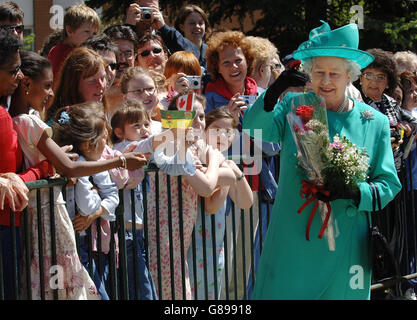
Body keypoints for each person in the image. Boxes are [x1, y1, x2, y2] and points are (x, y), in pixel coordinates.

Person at [243, 21, 402, 299]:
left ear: (349, 76)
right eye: (319, 72)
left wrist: (355, 191)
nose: (325, 81)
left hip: (347, 241)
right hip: (295, 235)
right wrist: (271, 94)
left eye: (334, 74)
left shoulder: (373, 122)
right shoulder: (295, 105)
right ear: (309, 73)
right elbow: (254, 128)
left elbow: (389, 184)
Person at [53, 102, 119, 300]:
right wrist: (82, 179)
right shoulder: (76, 166)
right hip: (68, 245)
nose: (106, 146)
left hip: (91, 245)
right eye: (104, 140)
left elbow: (112, 196)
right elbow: (86, 205)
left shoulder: (96, 165)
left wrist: (96, 213)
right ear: (88, 144)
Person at [187, 106, 253, 300]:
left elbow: (246, 202)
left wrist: (236, 174)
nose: (222, 135)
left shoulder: (224, 162)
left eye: (228, 132)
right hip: (195, 242)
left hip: (215, 245)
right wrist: (226, 177)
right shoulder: (203, 159)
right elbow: (211, 206)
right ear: (205, 129)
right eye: (216, 129)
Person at [357, 48, 417, 173]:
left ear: (388, 82)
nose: (374, 81)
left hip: (394, 170)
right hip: (367, 170)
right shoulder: (355, 102)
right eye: (368, 75)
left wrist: (406, 129)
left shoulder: (391, 102)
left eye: (380, 77)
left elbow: (414, 123)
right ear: (360, 78)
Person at [45, 47, 107, 125]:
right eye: (92, 81)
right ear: (74, 84)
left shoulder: (102, 114)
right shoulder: (61, 123)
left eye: (103, 78)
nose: (101, 85)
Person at [204, 30, 257, 115]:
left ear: (247, 61)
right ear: (217, 68)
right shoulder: (209, 102)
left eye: (238, 60)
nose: (234, 67)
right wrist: (228, 120)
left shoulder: (262, 96)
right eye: (226, 63)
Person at [47, 3, 101, 84]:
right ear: (69, 30)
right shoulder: (61, 53)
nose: (92, 37)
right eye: (87, 31)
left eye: (94, 33)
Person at [103, 24, 139, 115]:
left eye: (128, 53)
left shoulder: (146, 89)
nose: (122, 59)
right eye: (117, 53)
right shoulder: (93, 92)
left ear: (135, 57)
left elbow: (176, 127)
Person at [120, 66, 164, 132]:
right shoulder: (123, 132)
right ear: (125, 98)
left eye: (150, 89)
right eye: (138, 91)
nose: (146, 94)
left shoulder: (161, 128)